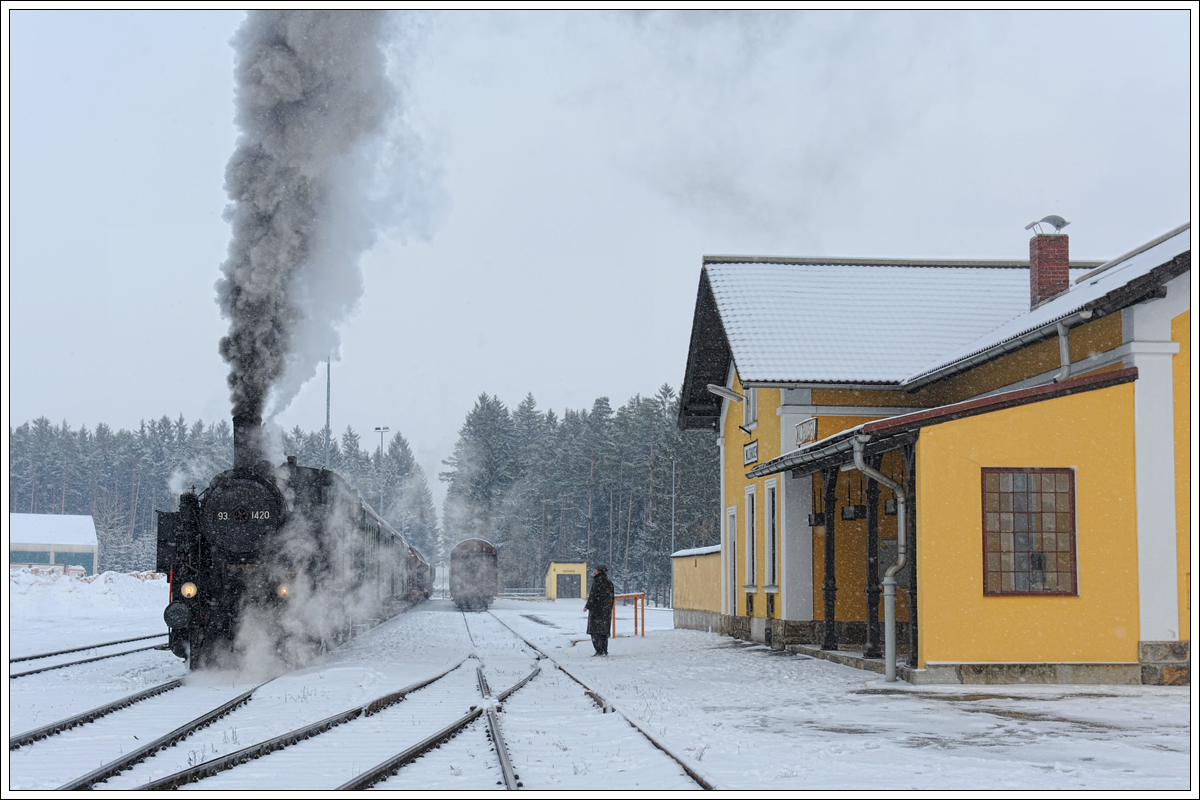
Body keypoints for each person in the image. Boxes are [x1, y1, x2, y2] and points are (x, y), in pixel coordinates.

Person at [584, 565, 615, 656]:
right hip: (606, 611)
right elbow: (611, 597)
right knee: (604, 632)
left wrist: (587, 606)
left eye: (596, 570)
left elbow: (593, 596)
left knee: (594, 631)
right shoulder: (609, 582)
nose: (594, 571)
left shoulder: (597, 581)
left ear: (599, 571)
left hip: (596, 610)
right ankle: (604, 649)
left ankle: (599, 650)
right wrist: (608, 607)